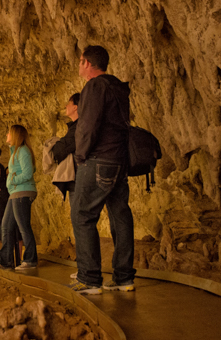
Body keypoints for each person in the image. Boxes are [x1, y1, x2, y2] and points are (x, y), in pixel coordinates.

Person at [70, 45, 136, 294]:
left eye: (80, 61)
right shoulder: (118, 87)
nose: (79, 66)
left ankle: (89, 279)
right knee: (121, 216)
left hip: (99, 159)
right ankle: (124, 278)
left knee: (82, 215)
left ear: (87, 63)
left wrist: (81, 156)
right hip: (120, 160)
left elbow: (87, 126)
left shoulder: (95, 87)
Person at [0, 124, 38, 270]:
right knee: (6, 226)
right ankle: (6, 262)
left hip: (22, 191)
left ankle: (30, 259)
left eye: (9, 132)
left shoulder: (23, 151)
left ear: (15, 134)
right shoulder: (15, 152)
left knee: (23, 226)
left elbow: (28, 173)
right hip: (15, 192)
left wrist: (12, 179)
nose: (7, 135)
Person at [48, 93, 80, 199]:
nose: (66, 106)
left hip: (78, 177)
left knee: (78, 213)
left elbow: (59, 150)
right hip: (78, 177)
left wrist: (55, 146)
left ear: (75, 107)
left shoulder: (79, 127)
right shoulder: (76, 127)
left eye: (68, 103)